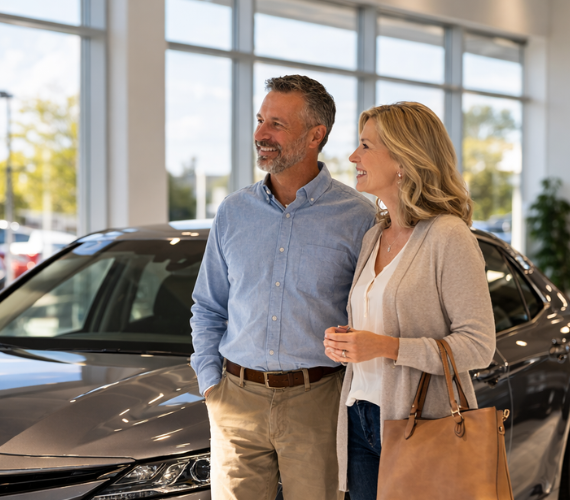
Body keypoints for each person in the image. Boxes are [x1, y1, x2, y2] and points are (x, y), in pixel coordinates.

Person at [190, 75, 377, 500]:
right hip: (235, 399)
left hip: (318, 402)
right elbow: (208, 306)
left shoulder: (358, 218)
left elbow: (370, 315)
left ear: (315, 135)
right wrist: (211, 386)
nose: (261, 134)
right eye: (261, 120)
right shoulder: (234, 211)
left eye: (277, 124)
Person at [322, 102, 496, 500]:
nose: (353, 157)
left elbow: (479, 345)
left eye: (366, 146)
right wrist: (348, 343)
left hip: (423, 426)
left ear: (403, 159)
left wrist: (386, 347)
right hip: (359, 419)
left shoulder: (448, 237)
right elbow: (380, 328)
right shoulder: (374, 236)